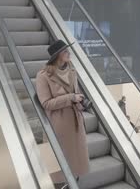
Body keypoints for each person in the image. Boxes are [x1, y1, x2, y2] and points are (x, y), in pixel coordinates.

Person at [36, 40, 89, 183]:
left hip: (76, 123)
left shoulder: (72, 70)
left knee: (76, 165)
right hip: (59, 126)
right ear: (57, 55)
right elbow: (46, 103)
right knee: (61, 166)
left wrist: (80, 102)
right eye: (65, 51)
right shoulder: (43, 76)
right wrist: (71, 97)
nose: (69, 53)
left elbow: (75, 93)